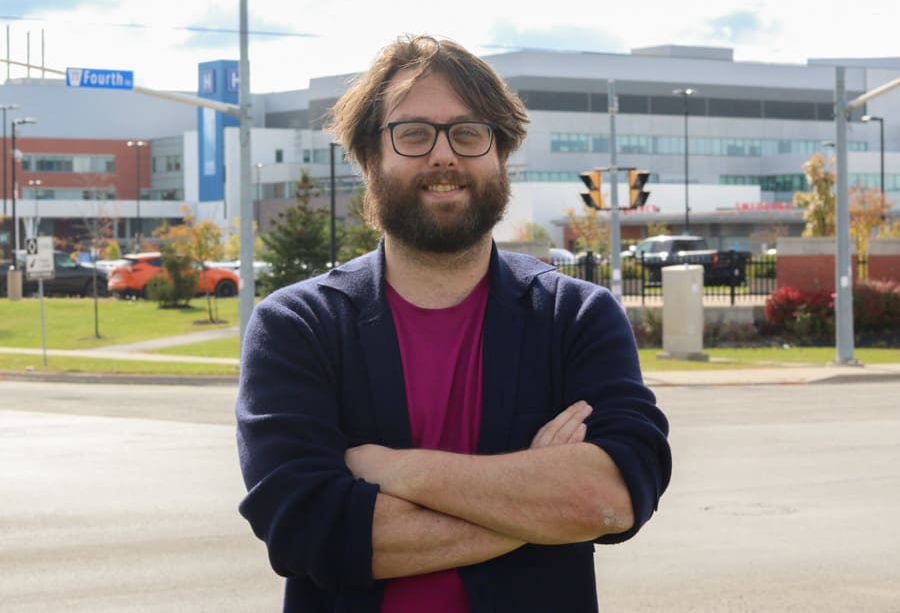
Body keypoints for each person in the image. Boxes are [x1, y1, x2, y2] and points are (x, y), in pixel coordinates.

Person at [236, 34, 671, 613]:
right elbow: (307, 530)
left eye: (469, 133)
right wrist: (541, 502)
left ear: (501, 154)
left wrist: (395, 470)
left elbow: (613, 498)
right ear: (371, 158)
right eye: (413, 134)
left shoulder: (576, 317)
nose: (444, 156)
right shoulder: (298, 326)